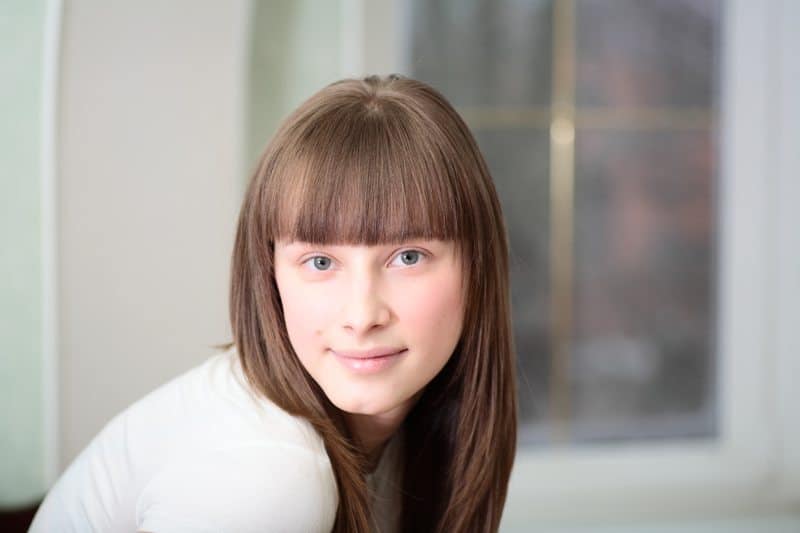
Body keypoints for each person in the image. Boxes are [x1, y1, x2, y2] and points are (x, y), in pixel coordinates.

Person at [29, 74, 517, 533]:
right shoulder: (270, 477)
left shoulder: (422, 429)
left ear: (478, 266)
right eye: (321, 263)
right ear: (269, 274)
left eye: (408, 257)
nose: (363, 315)